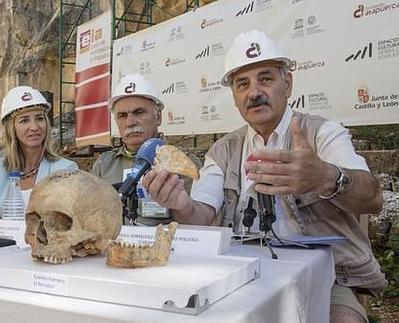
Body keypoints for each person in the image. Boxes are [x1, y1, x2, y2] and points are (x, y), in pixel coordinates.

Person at [142, 30, 386, 323]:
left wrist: (326, 177)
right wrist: (180, 204)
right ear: (234, 97)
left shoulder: (322, 133)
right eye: (242, 84)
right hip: (242, 274)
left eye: (266, 79)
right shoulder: (222, 151)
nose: (254, 92)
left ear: (288, 83)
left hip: (330, 275)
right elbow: (202, 214)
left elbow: (373, 199)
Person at [91, 73, 200, 224]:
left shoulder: (183, 164)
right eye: (122, 115)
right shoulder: (104, 165)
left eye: (139, 112)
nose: (130, 122)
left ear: (158, 117)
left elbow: (200, 224)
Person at [0, 86, 78, 218]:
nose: (34, 127)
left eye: (39, 118)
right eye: (24, 120)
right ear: (11, 128)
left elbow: (67, 223)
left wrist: (1, 224)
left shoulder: (66, 170)